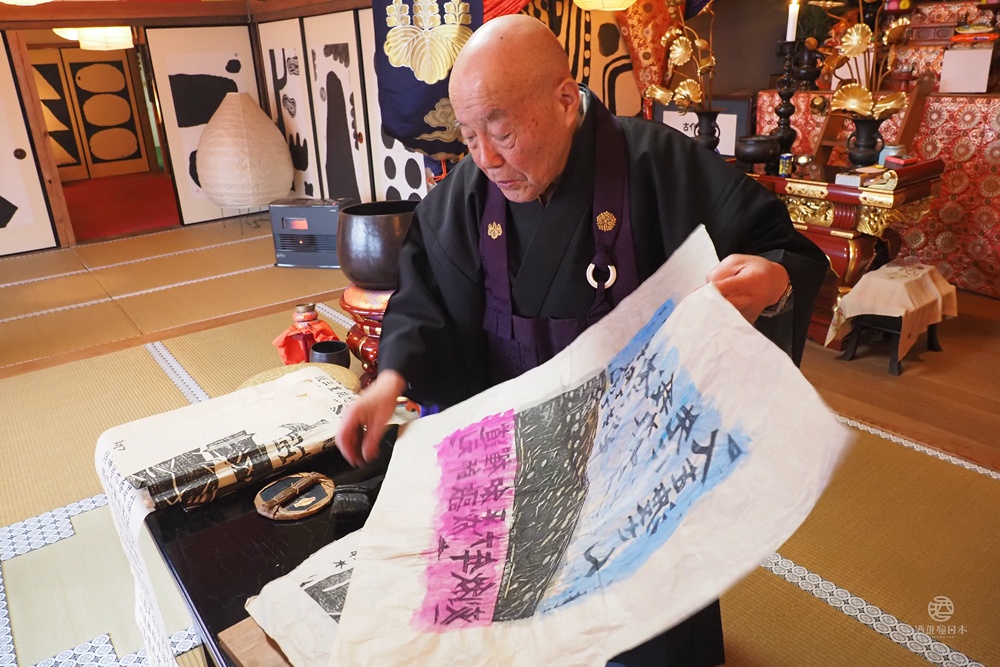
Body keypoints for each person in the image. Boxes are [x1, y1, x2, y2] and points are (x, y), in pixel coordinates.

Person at [336, 14, 829, 667]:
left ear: (567, 100)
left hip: (640, 462)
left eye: (502, 132)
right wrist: (393, 377)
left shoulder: (658, 165)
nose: (485, 158)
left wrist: (775, 281)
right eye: (469, 135)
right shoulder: (468, 193)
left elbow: (780, 247)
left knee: (647, 630)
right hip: (524, 458)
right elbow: (425, 298)